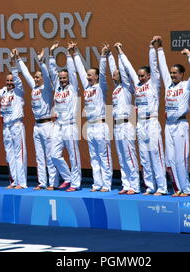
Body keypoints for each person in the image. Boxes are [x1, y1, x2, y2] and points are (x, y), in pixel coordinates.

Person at [119, 39, 167, 196]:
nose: (140, 78)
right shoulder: (137, 85)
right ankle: (150, 186)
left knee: (156, 156)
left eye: (143, 76)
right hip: (140, 124)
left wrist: (151, 48)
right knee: (144, 157)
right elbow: (129, 68)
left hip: (152, 122)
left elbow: (154, 66)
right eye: (139, 76)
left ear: (148, 76)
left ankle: (161, 188)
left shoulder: (154, 83)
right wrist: (120, 52)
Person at [154, 36, 190, 197]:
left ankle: (186, 189)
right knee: (170, 160)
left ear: (182, 74)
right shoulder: (169, 85)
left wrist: (188, 55)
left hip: (180, 125)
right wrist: (159, 48)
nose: (172, 75)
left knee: (181, 159)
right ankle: (177, 188)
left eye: (175, 73)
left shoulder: (186, 86)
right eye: (172, 73)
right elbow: (163, 67)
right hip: (168, 125)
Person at [15, 49, 59, 190]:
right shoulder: (34, 88)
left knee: (50, 156)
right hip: (37, 126)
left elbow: (46, 75)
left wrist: (41, 62)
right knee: (39, 156)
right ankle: (42, 182)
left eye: (38, 77)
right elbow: (26, 74)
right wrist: (18, 59)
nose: (35, 79)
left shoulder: (47, 87)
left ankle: (53, 183)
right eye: (35, 77)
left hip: (47, 124)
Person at [71, 42, 112, 192]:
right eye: (87, 75)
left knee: (104, 156)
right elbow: (80, 71)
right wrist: (75, 53)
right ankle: (97, 183)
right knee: (94, 157)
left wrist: (102, 56)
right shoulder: (87, 87)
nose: (87, 77)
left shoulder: (101, 87)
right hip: (90, 126)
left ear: (95, 76)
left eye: (90, 75)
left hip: (101, 125)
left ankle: (106, 184)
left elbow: (102, 72)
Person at [48, 41, 82, 192]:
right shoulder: (57, 87)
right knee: (54, 155)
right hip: (59, 126)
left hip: (70, 125)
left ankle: (75, 184)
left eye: (64, 77)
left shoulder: (73, 87)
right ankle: (68, 178)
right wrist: (50, 55)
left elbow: (72, 72)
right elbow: (52, 71)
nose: (62, 79)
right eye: (60, 78)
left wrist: (69, 54)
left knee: (74, 156)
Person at [108, 43, 140, 195]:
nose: (112, 74)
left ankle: (135, 185)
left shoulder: (127, 87)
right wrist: (108, 56)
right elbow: (113, 69)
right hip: (116, 125)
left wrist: (119, 51)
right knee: (121, 157)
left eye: (115, 73)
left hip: (127, 124)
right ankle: (126, 184)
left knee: (129, 155)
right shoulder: (115, 89)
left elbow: (123, 70)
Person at [0, 50, 28, 189]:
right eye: (7, 81)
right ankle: (13, 181)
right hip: (6, 127)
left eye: (11, 81)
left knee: (19, 154)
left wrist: (13, 64)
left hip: (16, 125)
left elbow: (18, 79)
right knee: (9, 154)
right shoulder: (3, 91)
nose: (10, 83)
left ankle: (22, 182)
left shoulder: (19, 91)